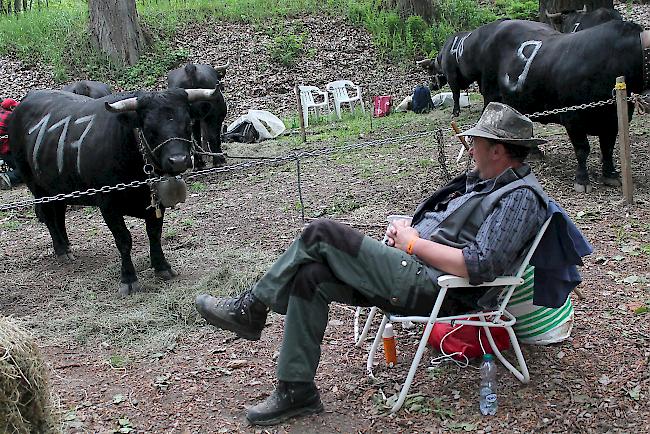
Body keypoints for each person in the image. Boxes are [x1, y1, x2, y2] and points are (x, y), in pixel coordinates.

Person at [194, 102, 573, 426]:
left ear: (498, 150)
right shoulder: (486, 182)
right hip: (413, 270)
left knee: (321, 233)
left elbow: (480, 266)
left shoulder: (519, 198)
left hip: (435, 289)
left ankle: (252, 308)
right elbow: (454, 233)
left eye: (477, 141)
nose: (469, 146)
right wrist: (410, 231)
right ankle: (296, 390)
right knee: (310, 276)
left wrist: (415, 245)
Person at [0, 98, 22, 190]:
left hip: (2, 152)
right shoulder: (10, 117)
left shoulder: (2, 114)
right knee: (27, 170)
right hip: (7, 151)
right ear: (11, 107)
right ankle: (8, 177)